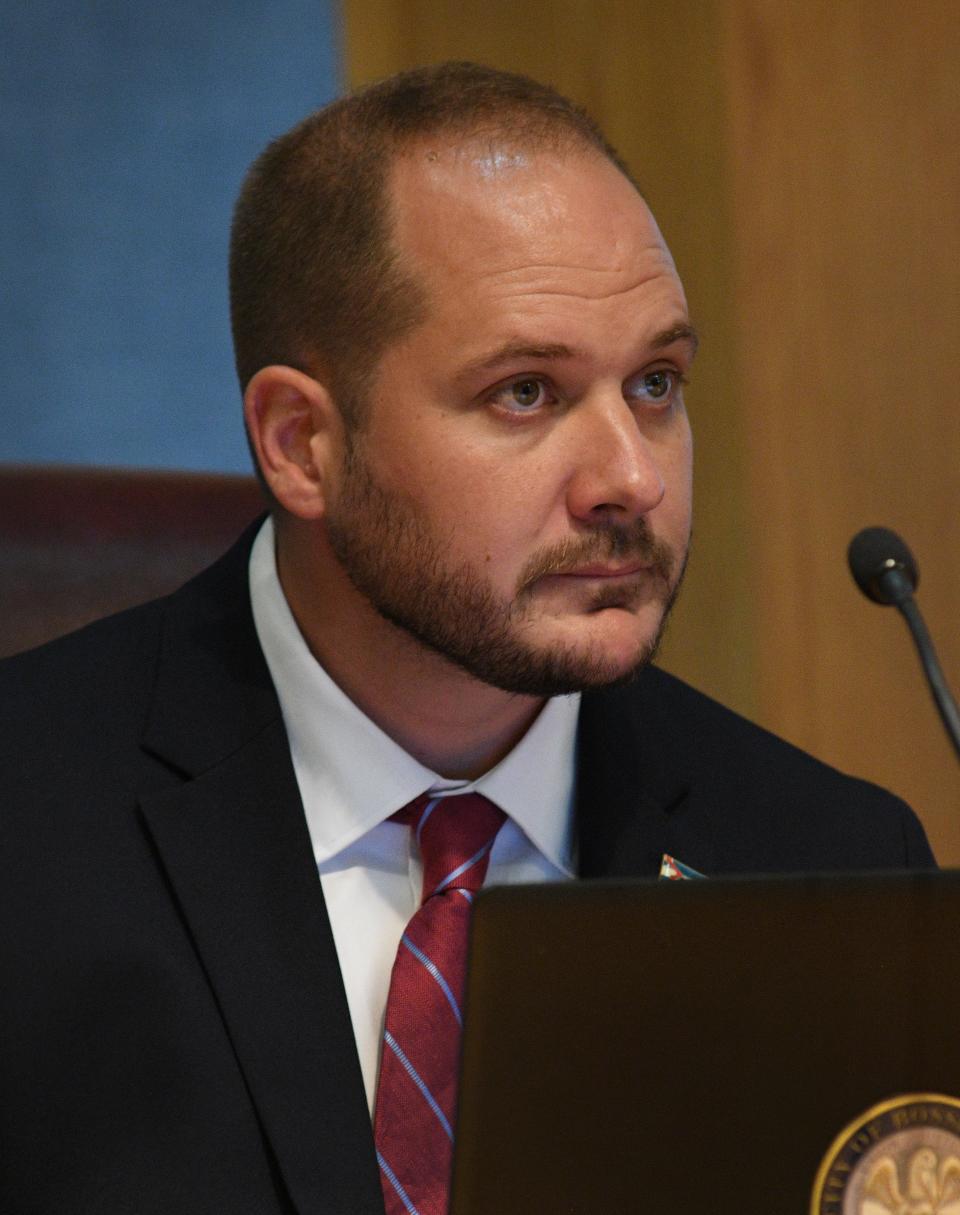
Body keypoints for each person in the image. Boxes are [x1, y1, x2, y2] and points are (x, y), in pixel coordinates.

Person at [0, 62, 933, 1215]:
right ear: (302, 445)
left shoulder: (829, 865)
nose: (631, 479)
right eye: (526, 395)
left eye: (655, 382)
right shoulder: (27, 827)